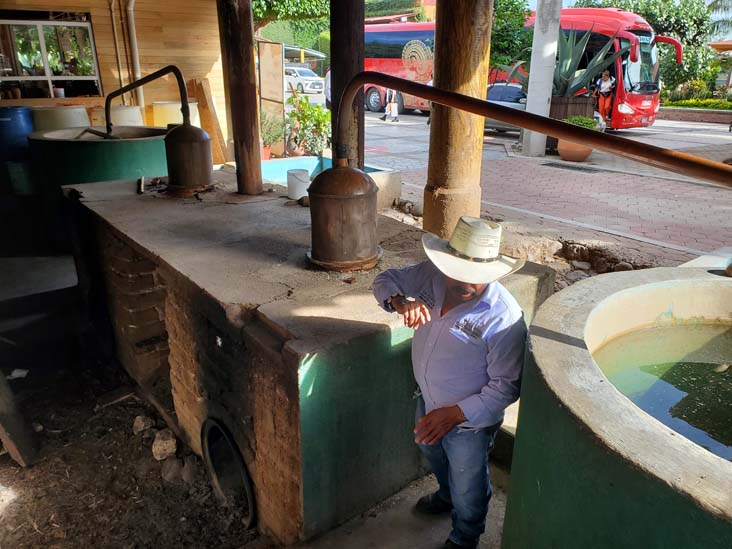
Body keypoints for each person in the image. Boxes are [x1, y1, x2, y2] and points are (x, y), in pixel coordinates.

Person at [373, 217, 527, 549]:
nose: (465, 282)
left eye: (477, 277)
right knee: (431, 449)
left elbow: (507, 386)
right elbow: (385, 279)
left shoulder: (504, 318)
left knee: (468, 482)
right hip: (428, 398)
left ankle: (465, 535)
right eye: (457, 270)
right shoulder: (430, 276)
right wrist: (400, 302)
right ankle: (445, 496)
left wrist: (453, 415)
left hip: (470, 422)